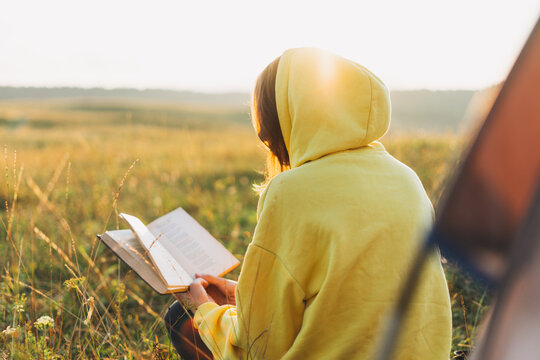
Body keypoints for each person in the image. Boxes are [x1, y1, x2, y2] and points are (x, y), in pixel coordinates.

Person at [164, 47, 452, 359]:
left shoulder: (289, 192)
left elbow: (255, 346)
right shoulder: (406, 179)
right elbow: (353, 299)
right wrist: (243, 296)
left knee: (181, 319)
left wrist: (205, 310)